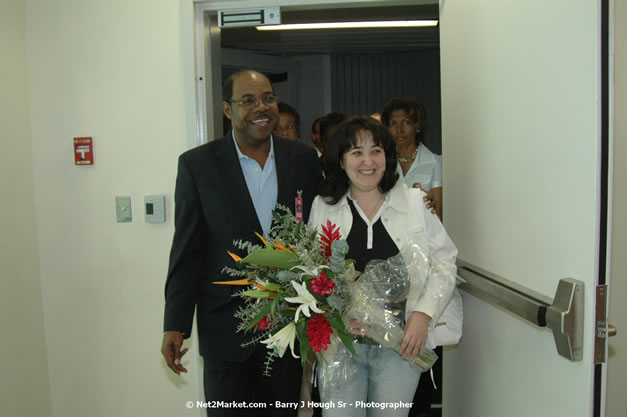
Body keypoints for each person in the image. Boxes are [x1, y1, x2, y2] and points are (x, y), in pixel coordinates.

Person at [161, 69, 321, 417]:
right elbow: (187, 250)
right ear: (228, 110)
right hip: (225, 328)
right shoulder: (198, 165)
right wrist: (175, 323)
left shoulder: (304, 160)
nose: (260, 107)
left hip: (286, 326)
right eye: (247, 100)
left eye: (267, 98)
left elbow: (323, 224)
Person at [307, 117, 457, 417]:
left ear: (387, 157)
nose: (367, 161)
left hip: (400, 347)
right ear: (341, 159)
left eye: (376, 151)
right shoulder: (324, 206)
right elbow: (310, 272)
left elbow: (445, 261)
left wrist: (423, 314)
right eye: (356, 152)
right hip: (342, 344)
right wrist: (333, 315)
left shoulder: (415, 202)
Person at [381, 97, 443, 220]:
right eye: (393, 123)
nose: (399, 130)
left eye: (406, 122)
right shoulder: (382, 163)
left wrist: (426, 201)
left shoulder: (435, 162)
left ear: (417, 125)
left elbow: (439, 214)